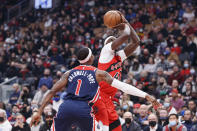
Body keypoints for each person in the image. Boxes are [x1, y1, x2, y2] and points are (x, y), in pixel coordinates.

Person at [30, 47, 159, 131]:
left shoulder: (68, 73)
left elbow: (51, 92)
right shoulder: (99, 73)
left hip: (66, 107)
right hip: (84, 108)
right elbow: (123, 86)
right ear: (91, 58)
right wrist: (146, 95)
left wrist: (39, 112)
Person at [93, 12, 141, 131]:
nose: (113, 42)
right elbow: (124, 37)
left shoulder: (119, 56)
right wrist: (122, 24)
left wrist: (126, 22)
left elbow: (136, 42)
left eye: (113, 40)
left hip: (109, 99)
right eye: (111, 41)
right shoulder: (105, 51)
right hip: (99, 98)